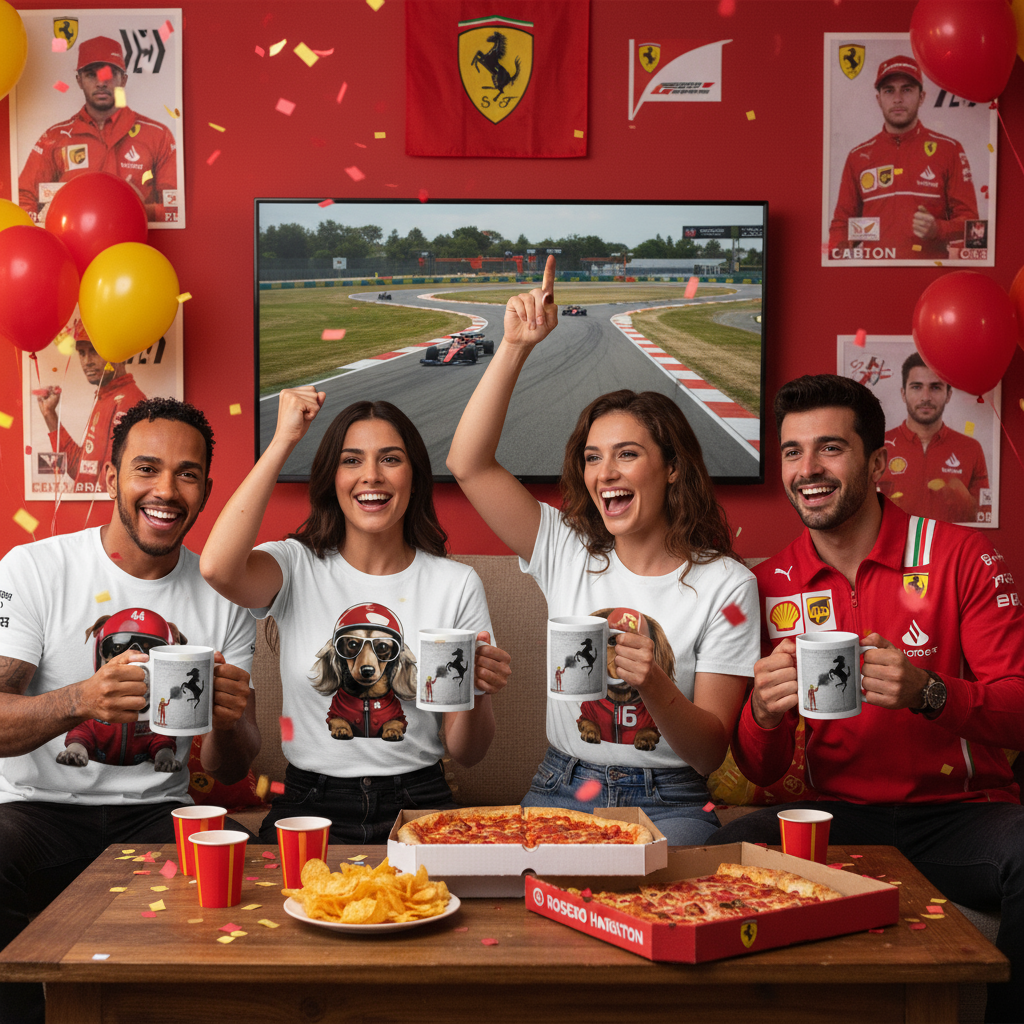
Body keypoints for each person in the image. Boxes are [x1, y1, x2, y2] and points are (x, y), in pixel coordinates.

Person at [707, 374, 1024, 1023]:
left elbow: (1018, 708)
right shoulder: (768, 584)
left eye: (830, 448)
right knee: (723, 855)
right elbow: (762, 769)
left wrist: (929, 691)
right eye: (792, 452)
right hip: (834, 817)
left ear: (877, 463)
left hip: (959, 816)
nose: (808, 469)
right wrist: (763, 714)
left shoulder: (961, 556)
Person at [446, 256, 759, 844]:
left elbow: (708, 752)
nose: (605, 473)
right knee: (518, 897)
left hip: (671, 798)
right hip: (562, 784)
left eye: (627, 455)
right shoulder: (566, 547)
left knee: (658, 896)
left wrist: (654, 682)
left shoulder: (728, 585)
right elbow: (468, 464)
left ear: (672, 468)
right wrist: (514, 346)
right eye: (593, 457)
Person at [0, 397, 260, 1024]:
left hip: (157, 814)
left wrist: (229, 722)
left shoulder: (224, 593)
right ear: (112, 477)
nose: (166, 490)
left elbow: (231, 768)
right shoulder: (36, 569)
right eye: (147, 469)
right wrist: (79, 700)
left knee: (255, 871)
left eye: (187, 474)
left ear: (206, 491)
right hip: (35, 811)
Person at [199, 393, 511, 844]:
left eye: (391, 459)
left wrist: (479, 693)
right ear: (332, 478)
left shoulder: (456, 583)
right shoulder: (294, 565)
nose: (371, 475)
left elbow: (468, 753)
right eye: (352, 460)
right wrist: (284, 439)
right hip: (308, 801)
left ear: (414, 478)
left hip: (419, 798)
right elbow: (217, 568)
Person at [828, 55, 978, 261]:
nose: (897, 99)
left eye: (906, 90)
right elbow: (842, 224)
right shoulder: (858, 156)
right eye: (889, 91)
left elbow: (973, 227)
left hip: (931, 275)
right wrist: (838, 262)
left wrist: (939, 229)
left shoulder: (949, 149)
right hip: (873, 274)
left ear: (921, 97)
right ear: (879, 99)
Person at [18, 35, 178, 225]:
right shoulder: (54, 138)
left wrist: (138, 208)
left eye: (109, 74)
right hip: (71, 242)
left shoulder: (158, 135)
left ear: (123, 80)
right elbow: (23, 198)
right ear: (79, 80)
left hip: (134, 242)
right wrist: (53, 223)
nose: (101, 83)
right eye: (91, 75)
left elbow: (175, 207)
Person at [35, 320, 147, 494]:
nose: (87, 361)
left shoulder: (129, 401)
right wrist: (49, 414)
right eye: (82, 353)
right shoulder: (105, 396)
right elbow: (80, 470)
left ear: (119, 354)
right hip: (87, 509)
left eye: (94, 351)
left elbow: (111, 487)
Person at [877, 352, 990, 525]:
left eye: (935, 387)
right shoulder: (878, 446)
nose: (926, 397)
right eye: (916, 387)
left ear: (949, 394)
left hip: (952, 542)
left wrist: (962, 498)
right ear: (903, 393)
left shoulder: (971, 448)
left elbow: (984, 516)